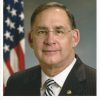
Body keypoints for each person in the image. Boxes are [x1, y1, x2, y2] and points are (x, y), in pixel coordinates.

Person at [5, 2, 96, 96]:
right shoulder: (15, 83)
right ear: (31, 39)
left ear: (74, 38)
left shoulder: (95, 84)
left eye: (59, 31)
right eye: (41, 32)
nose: (50, 40)